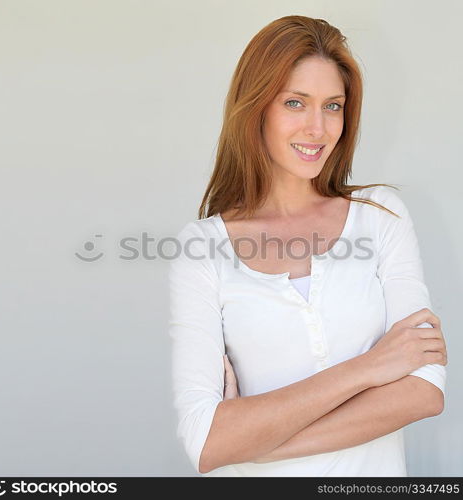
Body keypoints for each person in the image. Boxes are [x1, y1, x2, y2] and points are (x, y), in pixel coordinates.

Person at [167, 15, 447, 477]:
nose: (317, 128)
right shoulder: (202, 247)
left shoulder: (381, 215)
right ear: (256, 108)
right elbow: (205, 440)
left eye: (333, 106)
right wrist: (371, 367)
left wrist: (257, 444)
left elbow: (423, 390)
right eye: (295, 103)